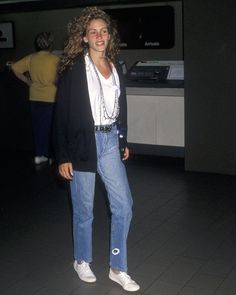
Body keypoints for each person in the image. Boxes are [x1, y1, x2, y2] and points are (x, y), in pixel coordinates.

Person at [53, 6, 140, 292]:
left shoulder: (115, 66)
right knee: (84, 209)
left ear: (109, 36)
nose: (99, 36)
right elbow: (61, 114)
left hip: (109, 141)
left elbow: (120, 109)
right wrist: (63, 155)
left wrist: (122, 139)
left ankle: (117, 266)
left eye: (104, 31)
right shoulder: (74, 69)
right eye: (94, 32)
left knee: (123, 205)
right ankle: (82, 260)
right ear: (85, 38)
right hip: (82, 144)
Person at [11, 32, 60, 164]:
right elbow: (57, 79)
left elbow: (14, 68)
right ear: (50, 44)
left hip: (35, 97)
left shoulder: (31, 58)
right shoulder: (55, 59)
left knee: (38, 128)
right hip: (51, 98)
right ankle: (51, 156)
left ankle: (39, 155)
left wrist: (28, 82)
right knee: (51, 129)